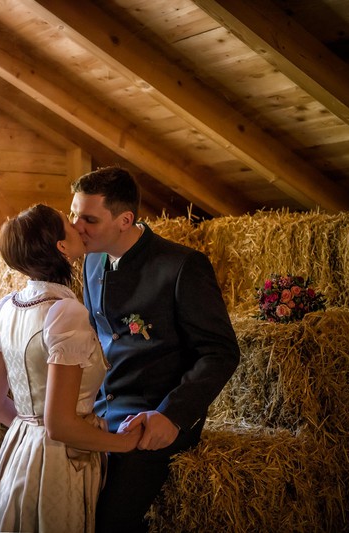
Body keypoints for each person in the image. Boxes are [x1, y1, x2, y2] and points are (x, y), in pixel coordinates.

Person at [69, 166, 240, 533]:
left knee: (108, 521)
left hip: (155, 415)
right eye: (73, 214)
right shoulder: (92, 259)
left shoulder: (182, 266)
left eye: (88, 218)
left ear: (124, 219)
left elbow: (221, 352)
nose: (75, 226)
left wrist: (172, 416)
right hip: (101, 408)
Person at [0, 203, 144, 533]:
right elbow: (60, 425)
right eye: (69, 224)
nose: (78, 226)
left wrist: (32, 430)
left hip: (19, 449)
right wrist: (123, 443)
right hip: (61, 463)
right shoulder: (66, 313)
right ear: (62, 247)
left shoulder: (5, 308)